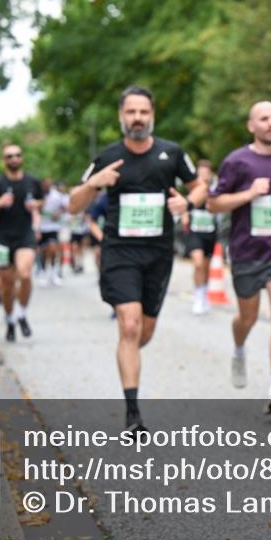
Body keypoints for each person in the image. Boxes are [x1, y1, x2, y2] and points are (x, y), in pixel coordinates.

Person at [69, 85, 205, 433]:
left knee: (142, 332)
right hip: (120, 251)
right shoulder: (108, 156)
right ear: (121, 116)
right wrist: (94, 183)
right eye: (131, 112)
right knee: (128, 325)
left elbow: (200, 187)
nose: (138, 118)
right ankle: (132, 414)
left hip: (158, 254)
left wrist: (186, 204)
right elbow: (73, 204)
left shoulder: (172, 153)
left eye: (143, 112)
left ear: (152, 115)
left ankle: (127, 351)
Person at [208, 101, 271, 416]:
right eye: (264, 118)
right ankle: (238, 348)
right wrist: (248, 194)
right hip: (247, 252)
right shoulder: (237, 162)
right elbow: (214, 204)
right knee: (246, 317)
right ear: (251, 125)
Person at [0, 144, 43, 342]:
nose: (14, 159)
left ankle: (22, 314)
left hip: (25, 235)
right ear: (4, 160)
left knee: (25, 273)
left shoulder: (32, 181)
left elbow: (41, 200)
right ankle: (9, 319)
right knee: (7, 286)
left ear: (22, 158)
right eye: (10, 156)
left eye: (17, 155)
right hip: (4, 238)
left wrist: (36, 206)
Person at [181, 159, 218, 315]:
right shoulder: (193, 189)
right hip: (194, 232)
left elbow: (218, 208)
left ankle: (204, 294)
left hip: (209, 232)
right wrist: (184, 216)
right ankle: (198, 296)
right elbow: (184, 204)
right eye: (200, 173)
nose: (203, 176)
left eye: (206, 173)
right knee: (197, 263)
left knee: (206, 267)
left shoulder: (215, 189)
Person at [37, 178, 69, 287]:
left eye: (48, 184)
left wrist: (58, 214)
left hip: (54, 228)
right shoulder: (37, 194)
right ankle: (43, 273)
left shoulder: (57, 195)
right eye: (44, 184)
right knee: (42, 252)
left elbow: (66, 207)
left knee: (53, 249)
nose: (46, 186)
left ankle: (54, 273)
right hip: (41, 228)